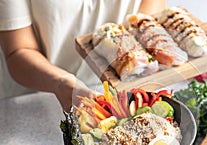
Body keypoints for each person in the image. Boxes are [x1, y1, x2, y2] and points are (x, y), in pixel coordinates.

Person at [0, 0, 167, 111]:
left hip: (120, 87)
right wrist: (62, 83)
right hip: (37, 94)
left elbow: (147, 16)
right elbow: (19, 50)